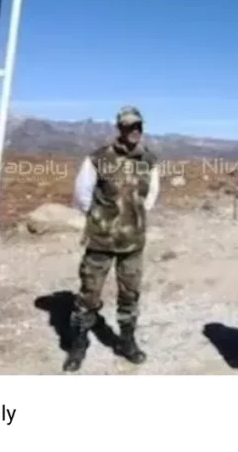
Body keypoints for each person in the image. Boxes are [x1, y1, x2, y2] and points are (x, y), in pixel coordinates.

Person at [62, 106, 160, 372]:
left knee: (130, 293)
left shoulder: (149, 161)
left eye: (138, 126)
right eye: (129, 126)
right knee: (89, 293)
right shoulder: (97, 159)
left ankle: (127, 342)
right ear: (119, 128)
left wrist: (133, 218)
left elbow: (150, 197)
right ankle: (78, 346)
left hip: (133, 242)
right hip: (101, 240)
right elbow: (82, 195)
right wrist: (103, 219)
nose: (134, 131)